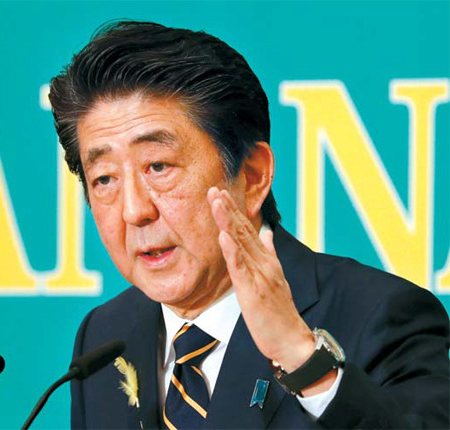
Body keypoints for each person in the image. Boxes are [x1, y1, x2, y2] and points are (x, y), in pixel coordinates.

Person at [49, 21, 450, 429]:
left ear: (252, 176)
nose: (134, 211)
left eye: (158, 166)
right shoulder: (105, 335)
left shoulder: (378, 317)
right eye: (105, 179)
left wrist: (304, 360)